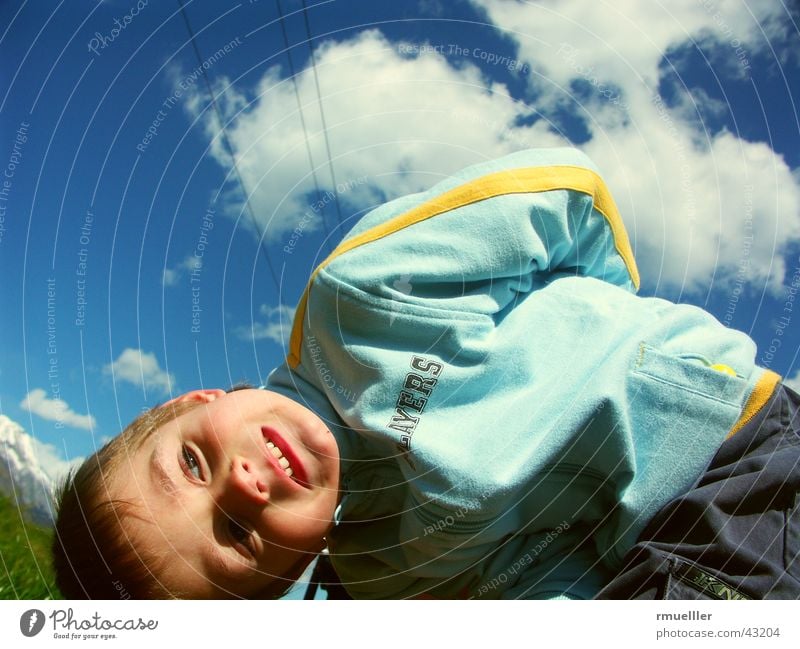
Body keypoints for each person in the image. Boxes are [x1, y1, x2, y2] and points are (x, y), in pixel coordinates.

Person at [52, 148, 799, 599]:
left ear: (193, 400)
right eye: (237, 535)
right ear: (283, 577)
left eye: (191, 460)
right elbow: (542, 582)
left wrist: (618, 321)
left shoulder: (357, 305)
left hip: (728, 452)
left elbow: (558, 198)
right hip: (647, 554)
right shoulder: (384, 578)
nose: (243, 484)